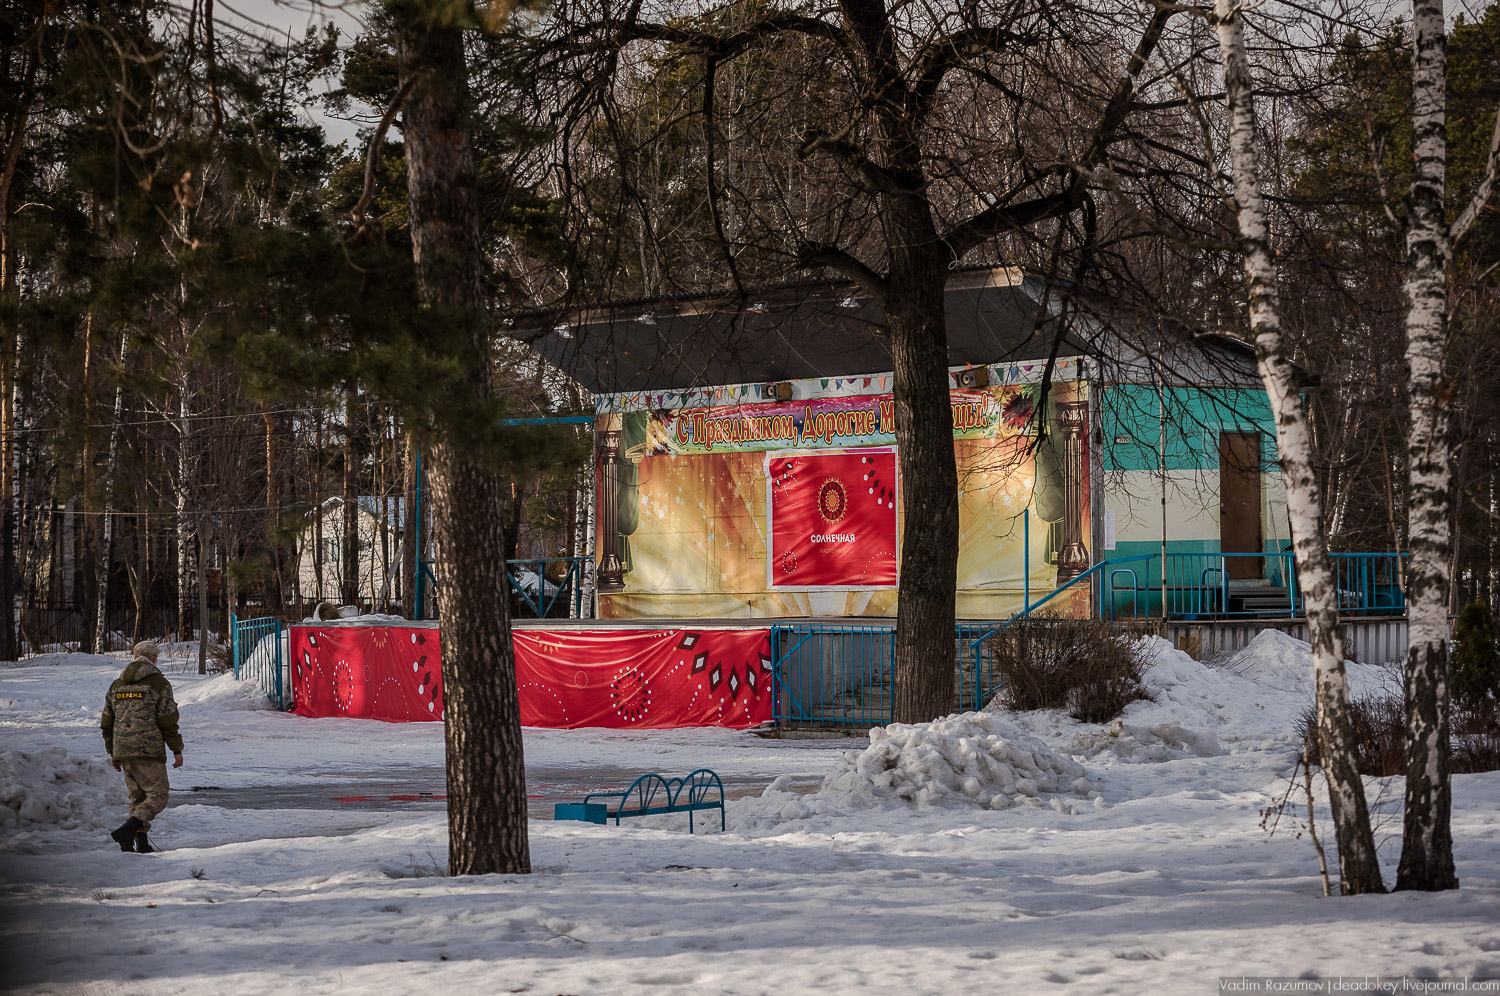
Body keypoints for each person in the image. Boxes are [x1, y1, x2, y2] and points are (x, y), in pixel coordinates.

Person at [101, 641, 184, 853]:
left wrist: (113, 751)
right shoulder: (159, 683)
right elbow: (168, 719)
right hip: (149, 749)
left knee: (137, 798)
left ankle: (139, 843)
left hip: (123, 748)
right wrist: (176, 749)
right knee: (158, 795)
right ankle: (128, 830)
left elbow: (107, 721)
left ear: (134, 657)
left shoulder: (117, 685)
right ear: (154, 659)